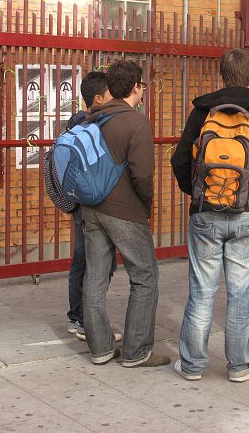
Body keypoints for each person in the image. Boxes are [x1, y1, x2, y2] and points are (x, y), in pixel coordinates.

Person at [171, 48, 249, 383]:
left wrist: (197, 196)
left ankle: (192, 365)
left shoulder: (202, 113)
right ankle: (239, 366)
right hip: (247, 218)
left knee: (201, 291)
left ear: (221, 75)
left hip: (205, 214)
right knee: (240, 294)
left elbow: (180, 162)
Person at [81, 60, 170, 367]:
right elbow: (142, 174)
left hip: (91, 208)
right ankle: (136, 351)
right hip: (125, 210)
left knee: (95, 276)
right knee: (145, 276)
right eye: (142, 85)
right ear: (136, 88)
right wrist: (146, 206)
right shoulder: (136, 123)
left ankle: (100, 348)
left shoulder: (91, 120)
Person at [66, 70, 118, 342]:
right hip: (94, 202)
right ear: (98, 98)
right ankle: (87, 321)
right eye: (111, 94)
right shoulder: (95, 127)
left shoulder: (74, 125)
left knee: (81, 260)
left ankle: (77, 318)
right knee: (98, 264)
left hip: (78, 200)